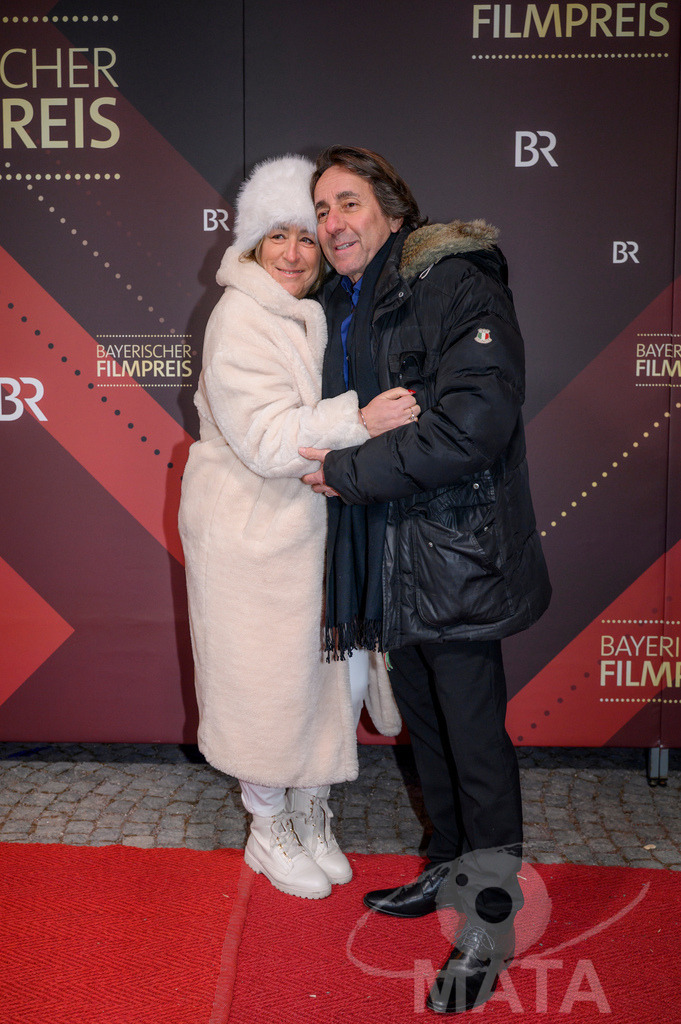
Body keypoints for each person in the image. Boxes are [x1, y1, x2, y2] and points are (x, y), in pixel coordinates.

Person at [299, 146, 551, 1010]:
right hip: (392, 550)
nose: (331, 222)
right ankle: (448, 869)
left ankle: (488, 913)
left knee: (474, 739)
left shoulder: (452, 279)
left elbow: (471, 423)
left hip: (454, 548)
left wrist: (346, 472)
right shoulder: (346, 301)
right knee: (431, 730)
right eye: (320, 208)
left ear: (393, 211)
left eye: (347, 202)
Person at [178, 154, 413, 901]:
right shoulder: (240, 315)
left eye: (305, 238)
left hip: (318, 524)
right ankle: (266, 826)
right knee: (263, 686)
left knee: (331, 678)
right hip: (252, 531)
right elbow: (266, 441)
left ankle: (313, 810)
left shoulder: (318, 311)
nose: (291, 252)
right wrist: (359, 419)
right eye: (275, 236)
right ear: (249, 245)